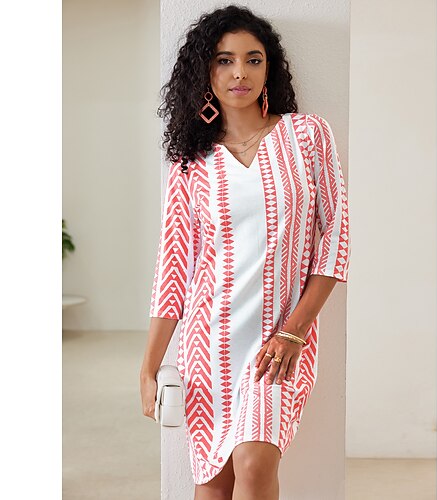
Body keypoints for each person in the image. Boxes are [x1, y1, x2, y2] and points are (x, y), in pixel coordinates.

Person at [140, 5, 350, 499]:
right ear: (205, 72)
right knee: (214, 482)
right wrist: (148, 366)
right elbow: (174, 265)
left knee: (254, 464)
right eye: (224, 60)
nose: (240, 72)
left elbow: (335, 238)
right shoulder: (191, 160)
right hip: (208, 342)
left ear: (268, 68)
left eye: (253, 60)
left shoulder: (307, 135)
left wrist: (295, 331)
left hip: (281, 339)